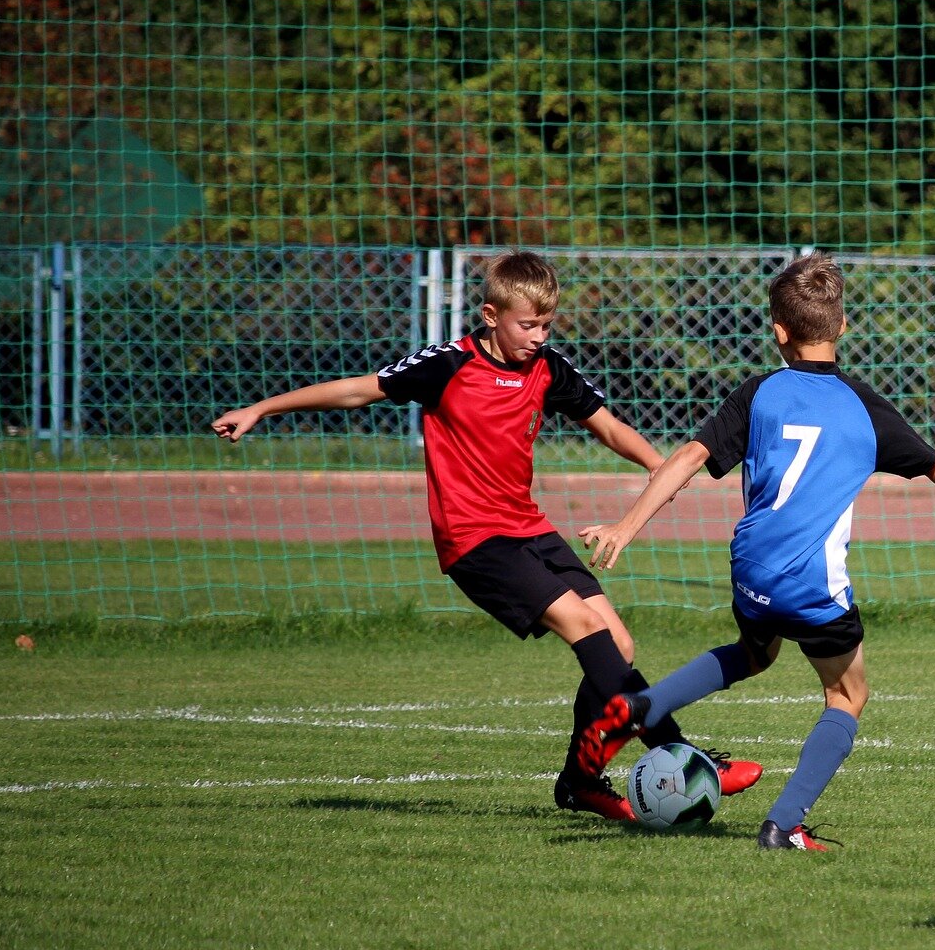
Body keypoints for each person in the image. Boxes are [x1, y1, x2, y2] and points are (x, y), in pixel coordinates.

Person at [210, 248, 760, 821]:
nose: (539, 335)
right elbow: (357, 389)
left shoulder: (549, 368)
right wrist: (262, 409)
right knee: (584, 627)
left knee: (618, 644)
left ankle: (579, 782)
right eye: (528, 324)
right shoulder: (447, 365)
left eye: (547, 324)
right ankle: (685, 753)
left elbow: (607, 427)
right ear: (492, 315)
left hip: (528, 525)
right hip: (474, 540)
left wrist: (658, 470)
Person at [573, 252, 935, 850]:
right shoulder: (863, 406)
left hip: (749, 569)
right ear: (841, 328)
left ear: (779, 332)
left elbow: (687, 457)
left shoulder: (759, 393)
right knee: (848, 694)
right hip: (812, 584)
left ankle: (638, 707)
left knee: (755, 654)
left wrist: (627, 526)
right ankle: (782, 825)